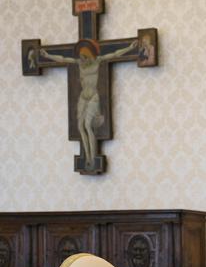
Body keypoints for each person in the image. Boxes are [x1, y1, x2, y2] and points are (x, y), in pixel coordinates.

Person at [41, 38, 137, 170]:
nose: (82, 61)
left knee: (88, 125)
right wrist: (47, 55)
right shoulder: (79, 63)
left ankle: (92, 157)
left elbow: (115, 54)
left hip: (93, 97)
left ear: (89, 56)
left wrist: (130, 48)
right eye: (80, 58)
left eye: (84, 58)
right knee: (80, 127)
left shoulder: (97, 61)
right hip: (83, 97)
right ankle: (87, 157)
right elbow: (62, 59)